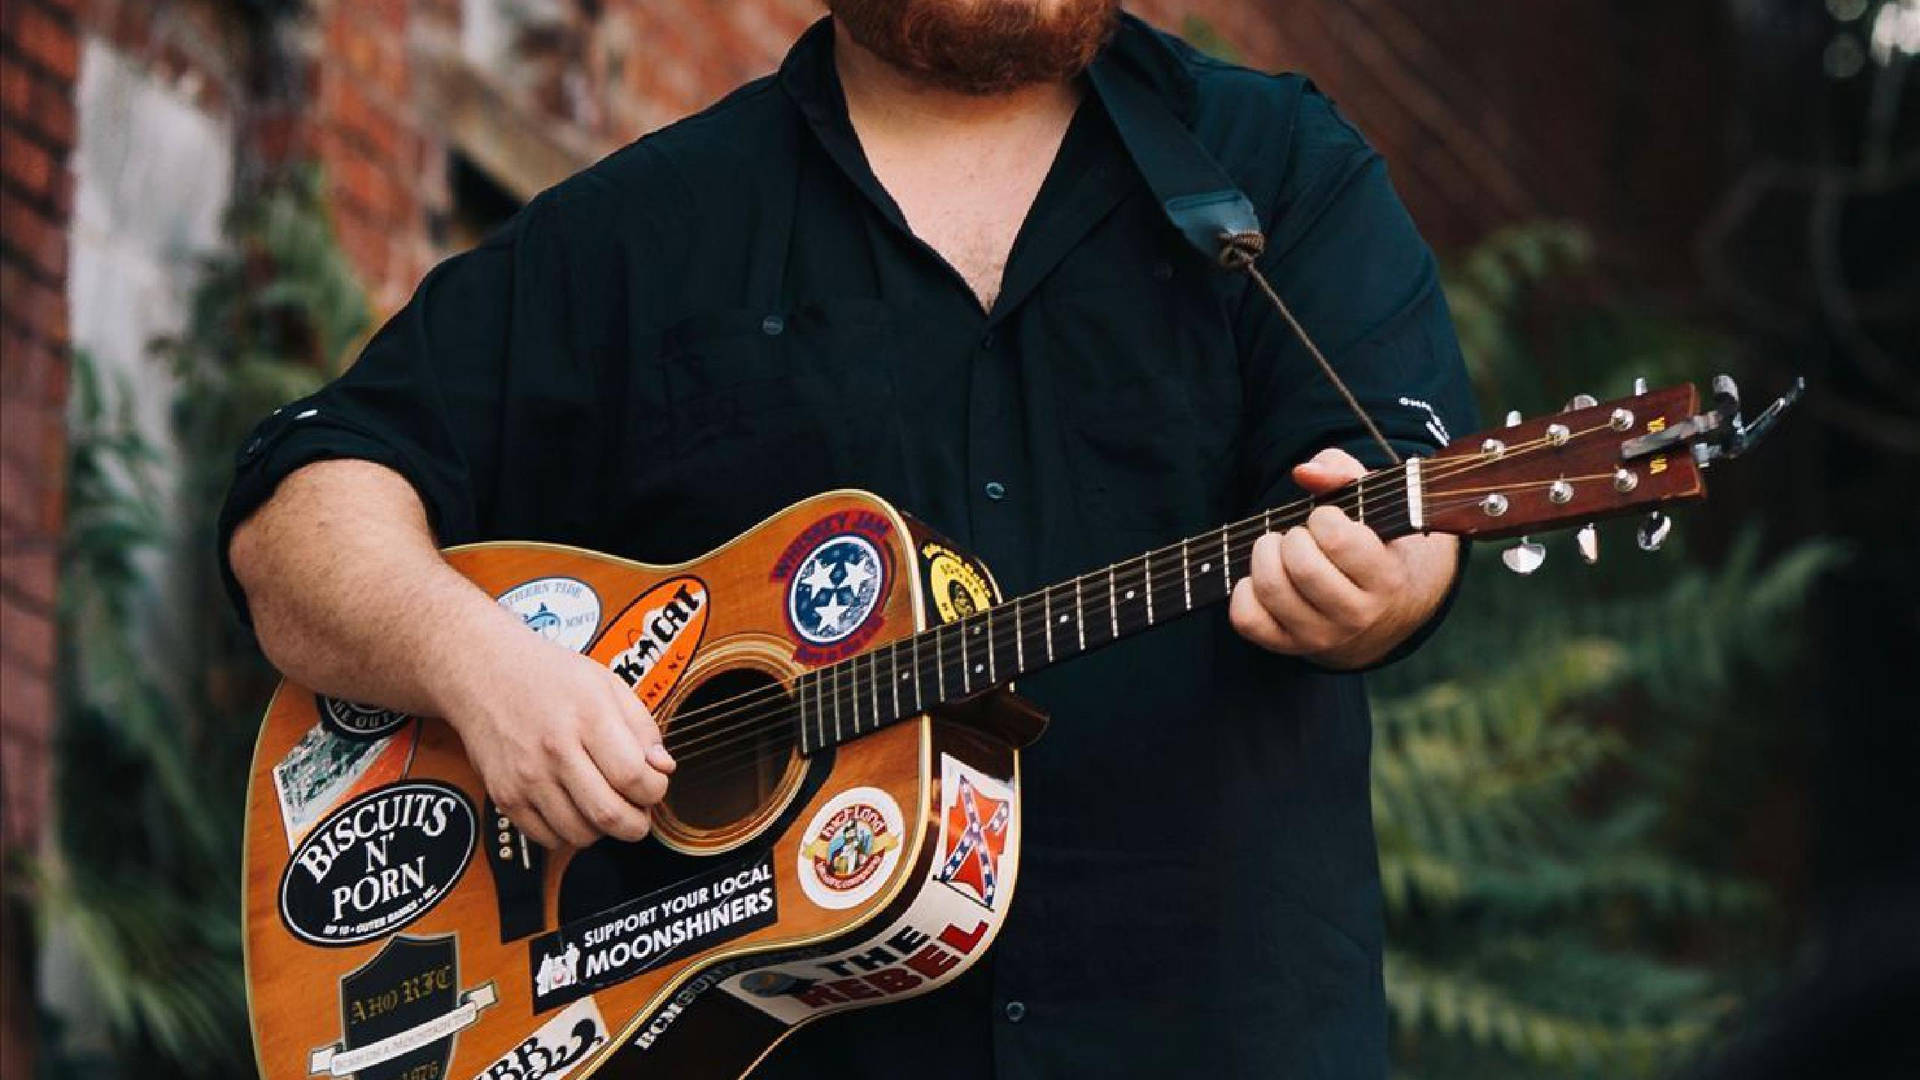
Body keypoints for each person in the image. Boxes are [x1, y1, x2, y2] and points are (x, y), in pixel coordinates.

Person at [220, 2, 1478, 1075]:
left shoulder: (1278, 167)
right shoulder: (650, 229)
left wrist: (1385, 586)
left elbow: (1410, 503)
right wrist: (478, 665)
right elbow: (299, 516)